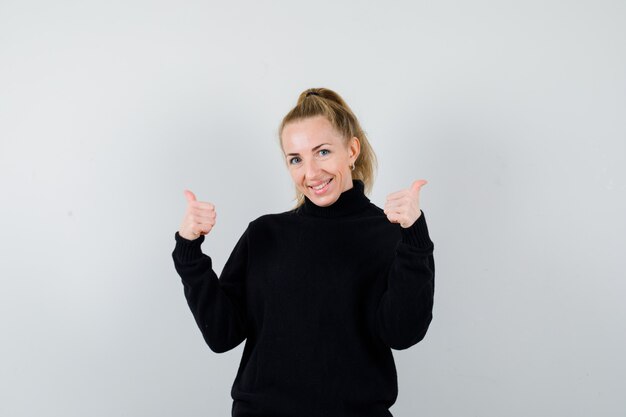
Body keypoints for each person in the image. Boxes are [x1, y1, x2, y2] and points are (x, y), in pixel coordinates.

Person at [171, 87, 435, 417]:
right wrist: (189, 249)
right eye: (296, 159)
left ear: (351, 150)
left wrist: (415, 240)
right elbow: (222, 334)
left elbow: (403, 332)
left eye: (322, 152)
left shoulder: (389, 234)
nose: (310, 173)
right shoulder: (264, 234)